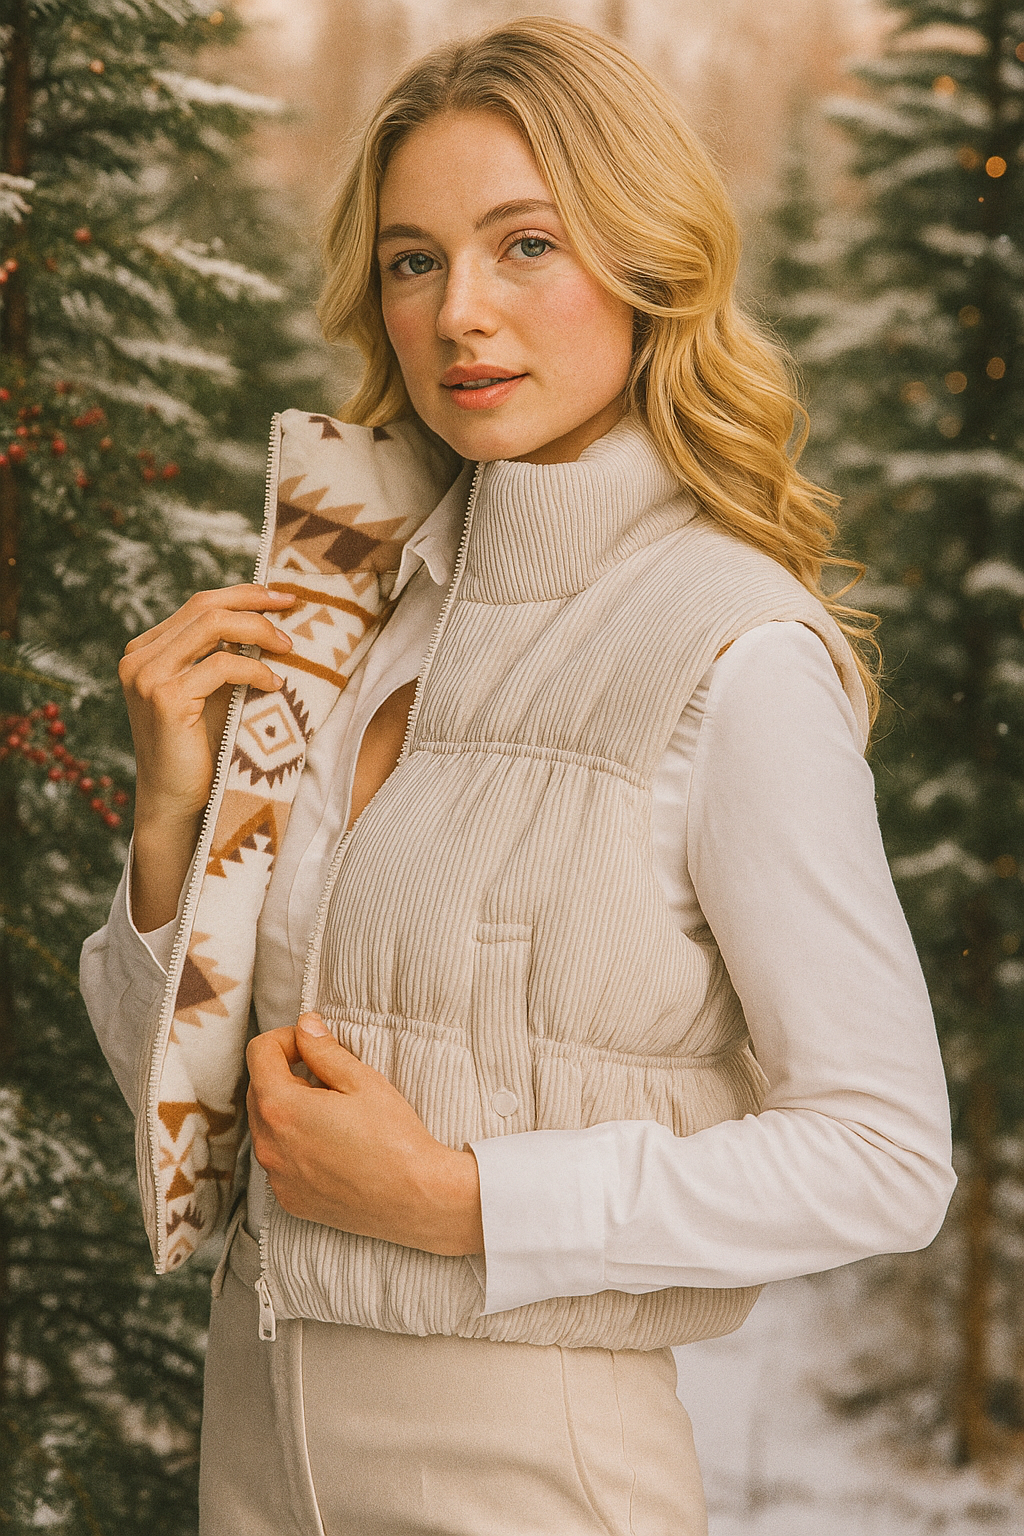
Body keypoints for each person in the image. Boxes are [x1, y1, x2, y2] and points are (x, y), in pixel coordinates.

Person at [80, 16, 956, 1535]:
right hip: (256, 1459)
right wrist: (173, 827)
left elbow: (887, 1157)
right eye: (412, 261)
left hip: (529, 1475)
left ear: (648, 264)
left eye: (526, 245)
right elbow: (197, 1131)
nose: (459, 314)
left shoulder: (730, 650)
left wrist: (464, 1202)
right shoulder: (354, 609)